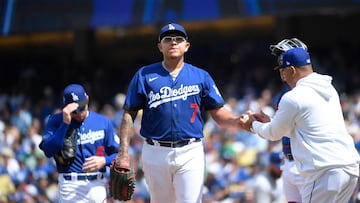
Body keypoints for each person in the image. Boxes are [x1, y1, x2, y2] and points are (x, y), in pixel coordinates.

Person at [116, 23, 243, 203]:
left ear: (186, 46)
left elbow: (218, 112)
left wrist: (237, 120)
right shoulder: (144, 75)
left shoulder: (201, 76)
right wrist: (123, 153)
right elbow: (129, 113)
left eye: (178, 39)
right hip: (155, 151)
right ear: (160, 46)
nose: (173, 42)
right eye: (167, 39)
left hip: (190, 151)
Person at [241, 47, 360, 203]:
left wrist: (252, 125)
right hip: (348, 169)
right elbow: (306, 128)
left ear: (292, 70)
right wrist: (271, 122)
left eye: (283, 71)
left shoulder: (293, 96)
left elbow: (273, 134)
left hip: (324, 172)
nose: (282, 76)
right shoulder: (328, 88)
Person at [39, 84, 120, 202]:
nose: (80, 113)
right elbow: (48, 151)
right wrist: (65, 124)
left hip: (97, 185)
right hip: (70, 185)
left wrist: (104, 161)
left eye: (82, 107)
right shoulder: (56, 121)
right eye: (75, 111)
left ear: (87, 98)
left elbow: (121, 156)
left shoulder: (103, 122)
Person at [270, 38, 308, 203]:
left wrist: (257, 125)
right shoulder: (284, 94)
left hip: (307, 163)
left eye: (283, 55)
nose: (280, 62)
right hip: (289, 161)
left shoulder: (314, 90)